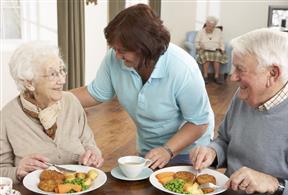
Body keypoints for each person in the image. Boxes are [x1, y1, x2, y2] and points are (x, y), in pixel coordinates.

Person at [72, 4, 214, 169]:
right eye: (114, 49)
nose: (116, 56)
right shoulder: (115, 58)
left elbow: (198, 122)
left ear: (145, 48)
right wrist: (53, 97)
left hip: (190, 152)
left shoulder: (182, 67)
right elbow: (94, 93)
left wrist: (168, 150)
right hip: (150, 149)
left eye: (122, 50)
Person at [190, 28, 288, 195]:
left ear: (272, 73)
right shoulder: (244, 95)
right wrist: (213, 152)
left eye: (240, 69)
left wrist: (273, 184)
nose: (233, 77)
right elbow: (225, 140)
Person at [0, 41, 104, 183]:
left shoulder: (71, 102)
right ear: (29, 83)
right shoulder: (7, 117)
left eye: (62, 71)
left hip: (78, 188)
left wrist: (93, 156)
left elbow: (89, 144)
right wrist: (18, 171)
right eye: (53, 74)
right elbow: (1, 169)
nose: (62, 80)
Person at [195, 16, 228, 84]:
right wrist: (199, 47)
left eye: (213, 26)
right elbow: (196, 42)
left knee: (218, 56)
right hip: (204, 50)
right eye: (209, 26)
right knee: (206, 56)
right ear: (206, 24)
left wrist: (222, 49)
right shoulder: (201, 32)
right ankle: (205, 76)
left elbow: (222, 41)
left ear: (215, 26)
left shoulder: (218, 31)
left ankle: (216, 76)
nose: (211, 28)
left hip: (216, 49)